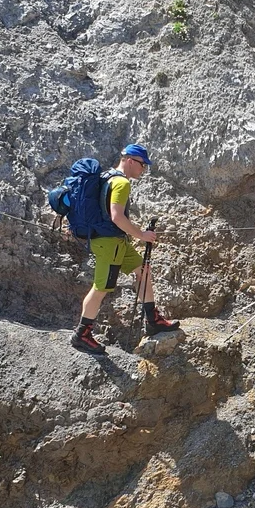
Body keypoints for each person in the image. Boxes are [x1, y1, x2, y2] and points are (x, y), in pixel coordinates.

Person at [71, 144, 181, 354]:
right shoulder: (121, 183)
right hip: (110, 243)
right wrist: (142, 235)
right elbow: (117, 216)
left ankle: (153, 320)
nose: (143, 169)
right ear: (130, 160)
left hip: (114, 241)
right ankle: (81, 334)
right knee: (101, 287)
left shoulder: (107, 177)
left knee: (143, 270)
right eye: (142, 164)